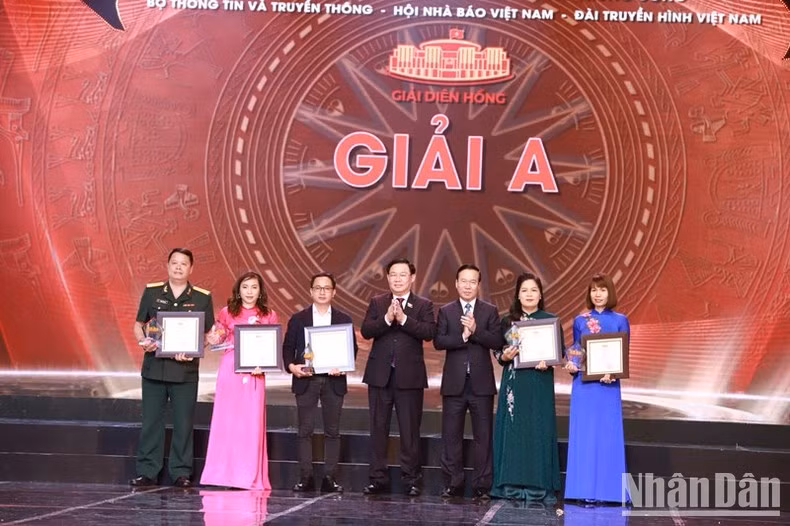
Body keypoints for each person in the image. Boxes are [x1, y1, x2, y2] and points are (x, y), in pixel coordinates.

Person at [130, 248, 215, 488]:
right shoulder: (152, 292)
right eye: (174, 263)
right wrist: (143, 341)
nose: (178, 267)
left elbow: (209, 334)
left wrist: (195, 349)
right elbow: (138, 324)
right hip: (154, 368)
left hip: (185, 371)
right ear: (167, 266)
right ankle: (147, 471)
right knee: (151, 423)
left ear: (191, 268)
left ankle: (181, 472)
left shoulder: (202, 297)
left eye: (183, 263)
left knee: (183, 423)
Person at [361, 258, 436, 497]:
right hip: (380, 376)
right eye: (393, 274)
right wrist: (386, 318)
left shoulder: (423, 305)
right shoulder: (377, 302)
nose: (398, 279)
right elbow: (366, 330)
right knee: (378, 428)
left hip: (409, 377)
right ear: (388, 278)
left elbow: (429, 332)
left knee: (409, 431)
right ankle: (377, 478)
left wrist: (403, 319)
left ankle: (411, 479)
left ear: (412, 278)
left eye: (403, 275)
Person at [200, 271, 279, 490]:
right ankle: (222, 475)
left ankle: (247, 476)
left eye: (254, 287)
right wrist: (213, 336)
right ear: (238, 290)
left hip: (255, 372)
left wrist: (264, 364)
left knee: (250, 423)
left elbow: (271, 346)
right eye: (245, 287)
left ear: (260, 291)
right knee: (227, 421)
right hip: (231, 370)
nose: (249, 292)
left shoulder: (269, 315)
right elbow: (218, 336)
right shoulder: (227, 312)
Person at [282, 272, 358, 493]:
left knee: (332, 431)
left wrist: (342, 365)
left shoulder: (344, 319)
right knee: (304, 430)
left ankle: (329, 478)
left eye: (327, 288)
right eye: (318, 288)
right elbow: (287, 348)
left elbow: (351, 349)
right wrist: (292, 367)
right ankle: (305, 478)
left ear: (334, 292)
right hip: (306, 379)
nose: (322, 292)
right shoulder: (298, 318)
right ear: (311, 291)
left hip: (333, 381)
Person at [490, 273, 561, 502]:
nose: (529, 294)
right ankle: (510, 484)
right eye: (524, 290)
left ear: (540, 295)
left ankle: (539, 485)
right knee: (514, 431)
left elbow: (559, 353)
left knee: (538, 430)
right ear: (517, 295)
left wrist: (548, 361)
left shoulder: (550, 321)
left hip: (540, 383)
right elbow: (498, 351)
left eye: (533, 290)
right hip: (515, 382)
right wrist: (505, 356)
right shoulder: (508, 321)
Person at [434, 264, 501, 500]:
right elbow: (439, 341)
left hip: (481, 384)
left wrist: (476, 330)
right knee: (451, 436)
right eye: (464, 281)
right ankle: (454, 483)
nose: (468, 285)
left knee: (483, 437)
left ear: (479, 285)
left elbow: (497, 341)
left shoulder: (490, 311)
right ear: (456, 283)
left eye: (473, 281)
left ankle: (483, 485)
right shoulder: (446, 311)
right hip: (454, 383)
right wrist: (463, 336)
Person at [564, 273, 629, 503]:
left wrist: (614, 372)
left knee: (607, 436)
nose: (598, 294)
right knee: (584, 437)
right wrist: (571, 363)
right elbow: (576, 349)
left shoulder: (621, 320)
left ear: (610, 292)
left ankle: (609, 492)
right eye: (593, 290)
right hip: (584, 387)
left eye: (602, 289)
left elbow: (622, 354)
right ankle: (581, 491)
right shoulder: (580, 320)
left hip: (608, 387)